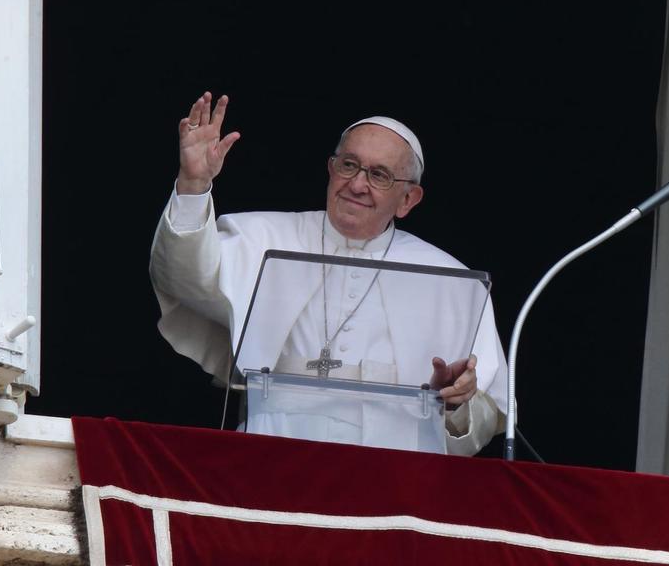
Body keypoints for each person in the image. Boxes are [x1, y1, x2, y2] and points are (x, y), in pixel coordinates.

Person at [149, 92, 507, 455]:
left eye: (379, 175)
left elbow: (484, 415)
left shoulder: (450, 281)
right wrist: (193, 185)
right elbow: (183, 277)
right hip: (271, 456)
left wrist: (456, 402)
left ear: (408, 200)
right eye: (349, 165)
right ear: (331, 169)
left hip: (393, 476)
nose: (357, 184)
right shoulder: (263, 236)